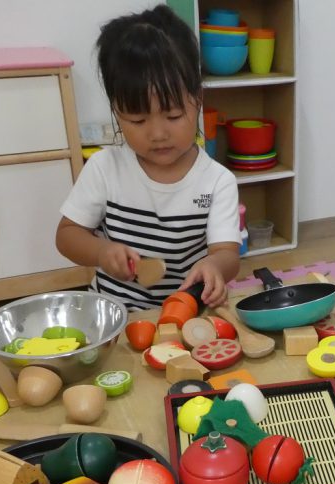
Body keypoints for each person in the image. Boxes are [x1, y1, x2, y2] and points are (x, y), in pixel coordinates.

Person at [57, 4, 240, 310]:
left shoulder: (217, 181)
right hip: (115, 312)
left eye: (173, 115)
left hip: (187, 310)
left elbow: (227, 253)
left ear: (198, 100)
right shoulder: (105, 168)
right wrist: (102, 252)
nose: (157, 133)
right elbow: (67, 235)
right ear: (117, 112)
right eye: (138, 121)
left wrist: (215, 267)